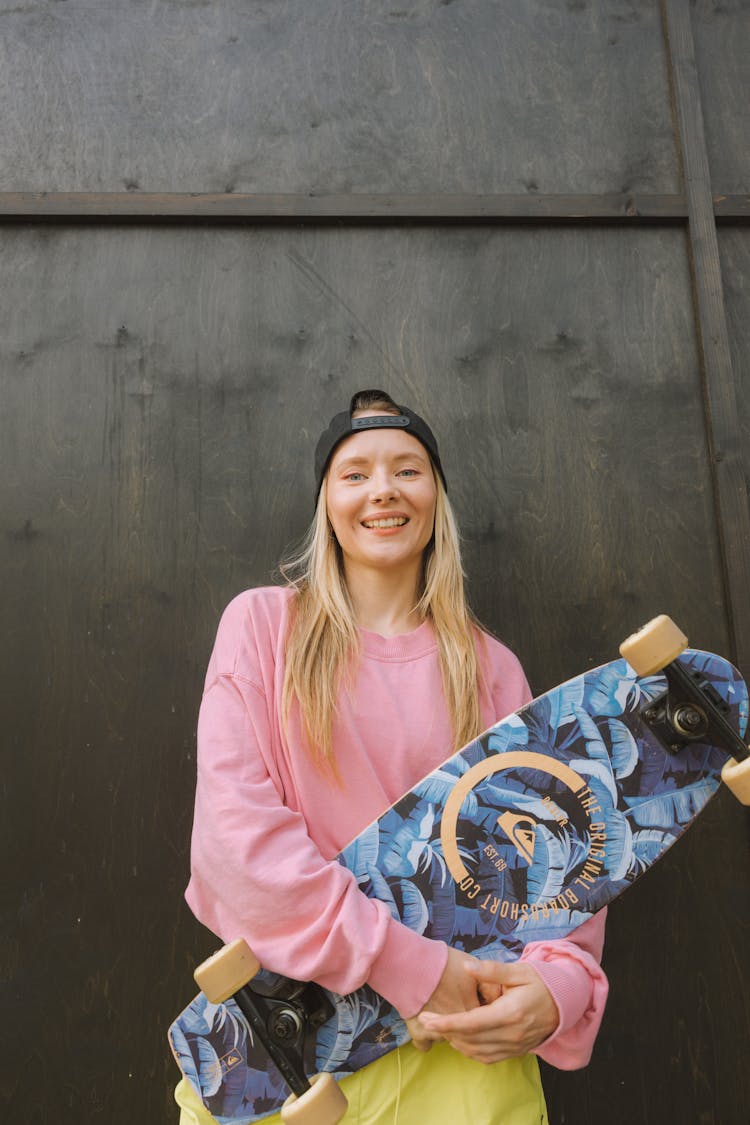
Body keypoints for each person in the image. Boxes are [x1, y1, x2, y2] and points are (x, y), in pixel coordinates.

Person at [175, 389, 608, 1125]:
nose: (383, 489)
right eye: (356, 473)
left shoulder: (493, 670)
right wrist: (414, 966)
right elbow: (237, 846)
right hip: (289, 1064)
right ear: (327, 503)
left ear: (437, 496)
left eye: (408, 469)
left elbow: (559, 868)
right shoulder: (262, 629)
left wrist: (559, 991)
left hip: (470, 1072)